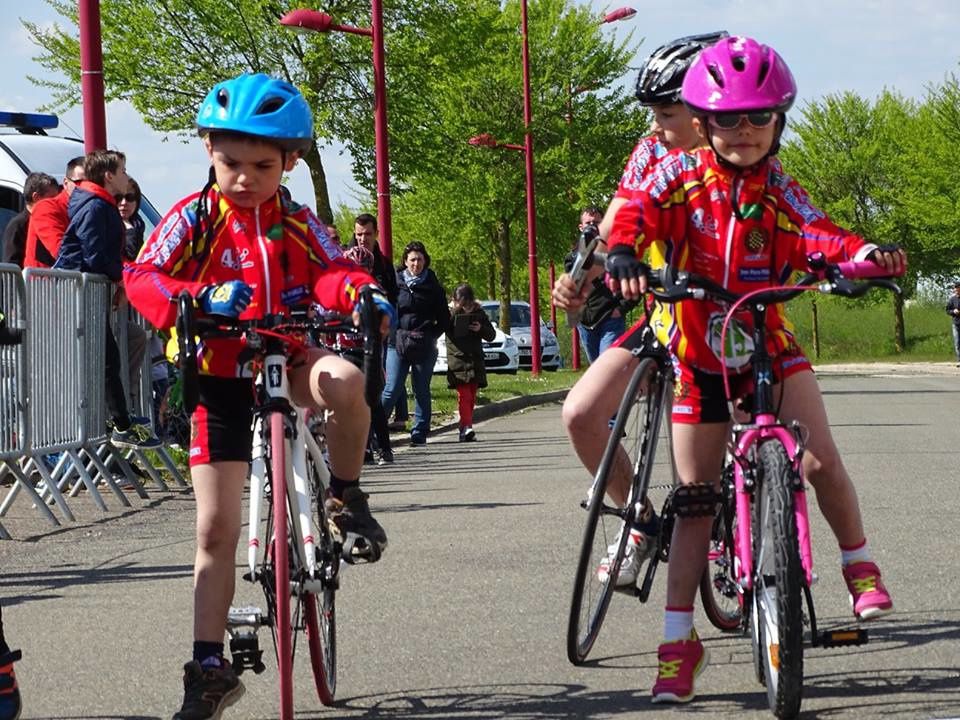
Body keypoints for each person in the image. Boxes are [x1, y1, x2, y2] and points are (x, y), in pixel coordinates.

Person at [561, 35, 906, 705]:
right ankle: (677, 641)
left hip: (766, 342)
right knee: (694, 503)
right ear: (705, 120)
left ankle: (858, 564)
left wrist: (861, 254)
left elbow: (817, 231)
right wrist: (627, 253)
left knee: (821, 459)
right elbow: (631, 211)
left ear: (779, 120)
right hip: (696, 352)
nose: (743, 132)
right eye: (728, 119)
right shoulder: (675, 175)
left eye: (759, 118)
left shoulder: (779, 184)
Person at [124, 72, 395, 720]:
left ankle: (344, 493)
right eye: (229, 162)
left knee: (350, 381)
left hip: (289, 354)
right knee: (214, 528)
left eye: (262, 165)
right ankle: (209, 667)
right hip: (218, 374)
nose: (244, 177)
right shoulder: (194, 218)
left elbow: (335, 267)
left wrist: (359, 291)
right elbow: (143, 277)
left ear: (290, 162)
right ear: (210, 153)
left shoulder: (295, 220)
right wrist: (193, 299)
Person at [553, 31, 727, 597]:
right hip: (663, 317)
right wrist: (577, 281)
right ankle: (640, 520)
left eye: (667, 112)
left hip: (731, 326)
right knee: (580, 413)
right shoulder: (650, 150)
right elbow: (609, 229)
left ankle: (741, 524)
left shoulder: (740, 152)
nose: (655, 124)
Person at [53, 150, 159, 450]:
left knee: (108, 357)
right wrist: (121, 278)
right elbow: (95, 252)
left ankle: (121, 419)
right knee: (105, 359)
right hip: (78, 293)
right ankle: (120, 423)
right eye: (123, 170)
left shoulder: (99, 203)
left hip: (87, 291)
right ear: (109, 175)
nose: (126, 176)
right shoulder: (96, 206)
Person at [380, 241, 449, 446]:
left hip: (424, 343)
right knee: (391, 388)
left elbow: (444, 318)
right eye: (412, 260)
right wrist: (391, 331)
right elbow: (386, 309)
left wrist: (431, 334)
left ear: (425, 261)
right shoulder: (395, 283)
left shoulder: (433, 286)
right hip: (397, 342)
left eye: (419, 260)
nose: (416, 264)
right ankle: (375, 427)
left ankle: (419, 431)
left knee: (421, 389)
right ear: (405, 261)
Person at [343, 243, 394, 464]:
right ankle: (362, 448)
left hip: (367, 350)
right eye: (353, 267)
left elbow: (386, 316)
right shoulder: (341, 288)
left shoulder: (374, 289)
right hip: (343, 349)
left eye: (363, 268)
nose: (358, 272)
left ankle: (384, 447)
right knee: (349, 401)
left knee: (373, 400)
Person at [567, 205, 627, 363]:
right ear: (581, 227)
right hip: (586, 322)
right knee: (595, 367)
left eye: (596, 223)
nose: (592, 227)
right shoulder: (573, 257)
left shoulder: (616, 254)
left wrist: (620, 309)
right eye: (588, 223)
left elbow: (632, 281)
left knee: (607, 365)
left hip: (611, 318)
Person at [446, 283, 496, 441]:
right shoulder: (449, 314)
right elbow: (445, 328)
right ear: (455, 301)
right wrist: (456, 311)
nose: (466, 307)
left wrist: (480, 328)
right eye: (463, 304)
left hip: (475, 360)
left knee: (472, 396)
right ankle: (467, 427)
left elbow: (491, 335)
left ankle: (464, 427)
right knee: (464, 395)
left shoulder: (479, 313)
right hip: (458, 360)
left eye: (469, 304)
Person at [23, 156, 85, 269]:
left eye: (91, 183)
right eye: (80, 182)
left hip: (69, 282)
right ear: (66, 183)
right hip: (44, 284)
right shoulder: (47, 208)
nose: (86, 187)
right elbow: (64, 254)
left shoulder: (85, 210)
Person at [2, 172, 59, 267]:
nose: (56, 203)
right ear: (36, 197)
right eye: (52, 198)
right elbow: (11, 264)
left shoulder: (52, 221)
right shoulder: (18, 225)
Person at [118, 176, 146, 261]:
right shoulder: (106, 225)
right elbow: (130, 256)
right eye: (119, 197)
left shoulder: (139, 225)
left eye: (129, 197)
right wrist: (129, 230)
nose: (124, 203)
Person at [947, 282, 960, 366]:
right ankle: (959, 360)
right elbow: (947, 310)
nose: (955, 289)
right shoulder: (952, 299)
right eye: (954, 288)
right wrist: (953, 311)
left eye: (956, 287)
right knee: (957, 342)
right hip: (955, 323)